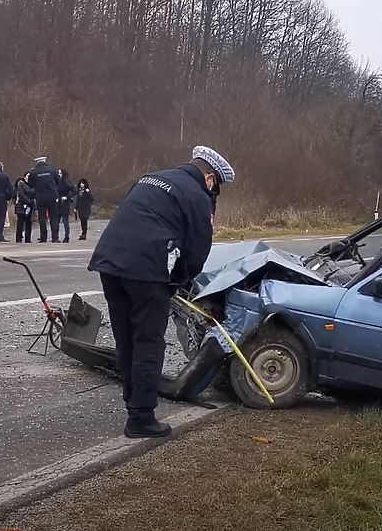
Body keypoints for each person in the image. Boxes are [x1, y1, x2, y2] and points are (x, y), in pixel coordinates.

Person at [88, 145, 234, 438]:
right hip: (146, 272)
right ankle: (141, 419)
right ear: (209, 178)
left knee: (126, 339)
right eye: (216, 187)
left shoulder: (150, 178)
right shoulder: (198, 196)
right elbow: (196, 252)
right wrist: (182, 282)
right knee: (148, 344)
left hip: (110, 264)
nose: (214, 193)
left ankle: (134, 404)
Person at [28, 156, 61, 243]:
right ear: (45, 161)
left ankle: (43, 238)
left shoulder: (34, 172)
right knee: (53, 216)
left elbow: (30, 184)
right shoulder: (51, 170)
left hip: (40, 196)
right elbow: (58, 181)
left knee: (42, 217)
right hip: (52, 195)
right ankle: (55, 238)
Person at [14, 171, 36, 243]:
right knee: (20, 222)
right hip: (22, 205)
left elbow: (35, 194)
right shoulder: (21, 184)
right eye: (27, 176)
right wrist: (28, 201)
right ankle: (18, 239)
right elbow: (20, 194)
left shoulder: (34, 185)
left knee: (29, 223)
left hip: (30, 206)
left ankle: (28, 239)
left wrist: (32, 201)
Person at [56, 168, 77, 243]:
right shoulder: (57, 182)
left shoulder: (67, 182)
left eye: (60, 173)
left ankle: (66, 236)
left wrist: (67, 197)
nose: (59, 174)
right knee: (57, 221)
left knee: (65, 221)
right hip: (59, 203)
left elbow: (74, 191)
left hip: (64, 203)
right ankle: (56, 237)